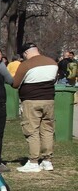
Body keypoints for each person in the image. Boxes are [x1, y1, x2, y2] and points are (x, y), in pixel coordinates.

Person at [12, 42, 58, 172]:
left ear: (26, 53)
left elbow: (15, 84)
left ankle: (33, 161)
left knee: (32, 131)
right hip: (49, 100)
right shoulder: (52, 63)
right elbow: (54, 80)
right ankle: (47, 161)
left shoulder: (26, 65)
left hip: (31, 101)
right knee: (47, 130)